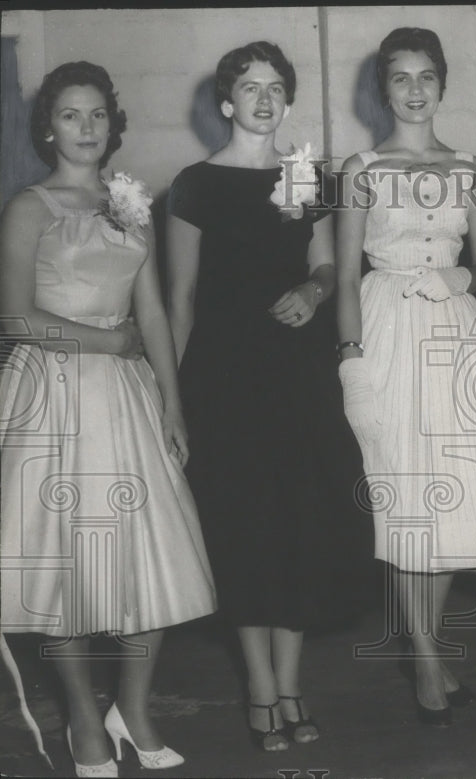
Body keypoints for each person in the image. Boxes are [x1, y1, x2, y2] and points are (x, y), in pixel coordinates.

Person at [0, 61, 215, 777]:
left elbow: (151, 309)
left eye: (97, 115)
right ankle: (84, 721)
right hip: (53, 396)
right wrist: (107, 343)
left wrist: (172, 400)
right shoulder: (30, 205)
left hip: (125, 396)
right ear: (47, 127)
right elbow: (16, 317)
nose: (86, 128)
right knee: (63, 568)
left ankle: (134, 704)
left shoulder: (130, 201)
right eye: (70, 115)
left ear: (112, 123)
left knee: (151, 558)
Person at [166, 41, 362, 751]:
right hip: (224, 380)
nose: (264, 98)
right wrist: (174, 398)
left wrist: (314, 291)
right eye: (250, 86)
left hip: (297, 376)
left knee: (300, 526)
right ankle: (258, 685)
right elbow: (179, 299)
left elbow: (327, 264)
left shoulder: (305, 176)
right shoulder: (193, 185)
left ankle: (291, 683)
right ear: (226, 100)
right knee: (244, 530)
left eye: (276, 87)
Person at [335, 27, 476, 727]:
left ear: (442, 85)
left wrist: (461, 273)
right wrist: (351, 362)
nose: (414, 89)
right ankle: (430, 659)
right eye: (400, 77)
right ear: (384, 88)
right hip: (387, 326)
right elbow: (346, 274)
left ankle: (425, 644)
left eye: (426, 76)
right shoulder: (362, 168)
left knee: (456, 493)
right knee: (408, 499)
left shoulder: (471, 167)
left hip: (455, 325)